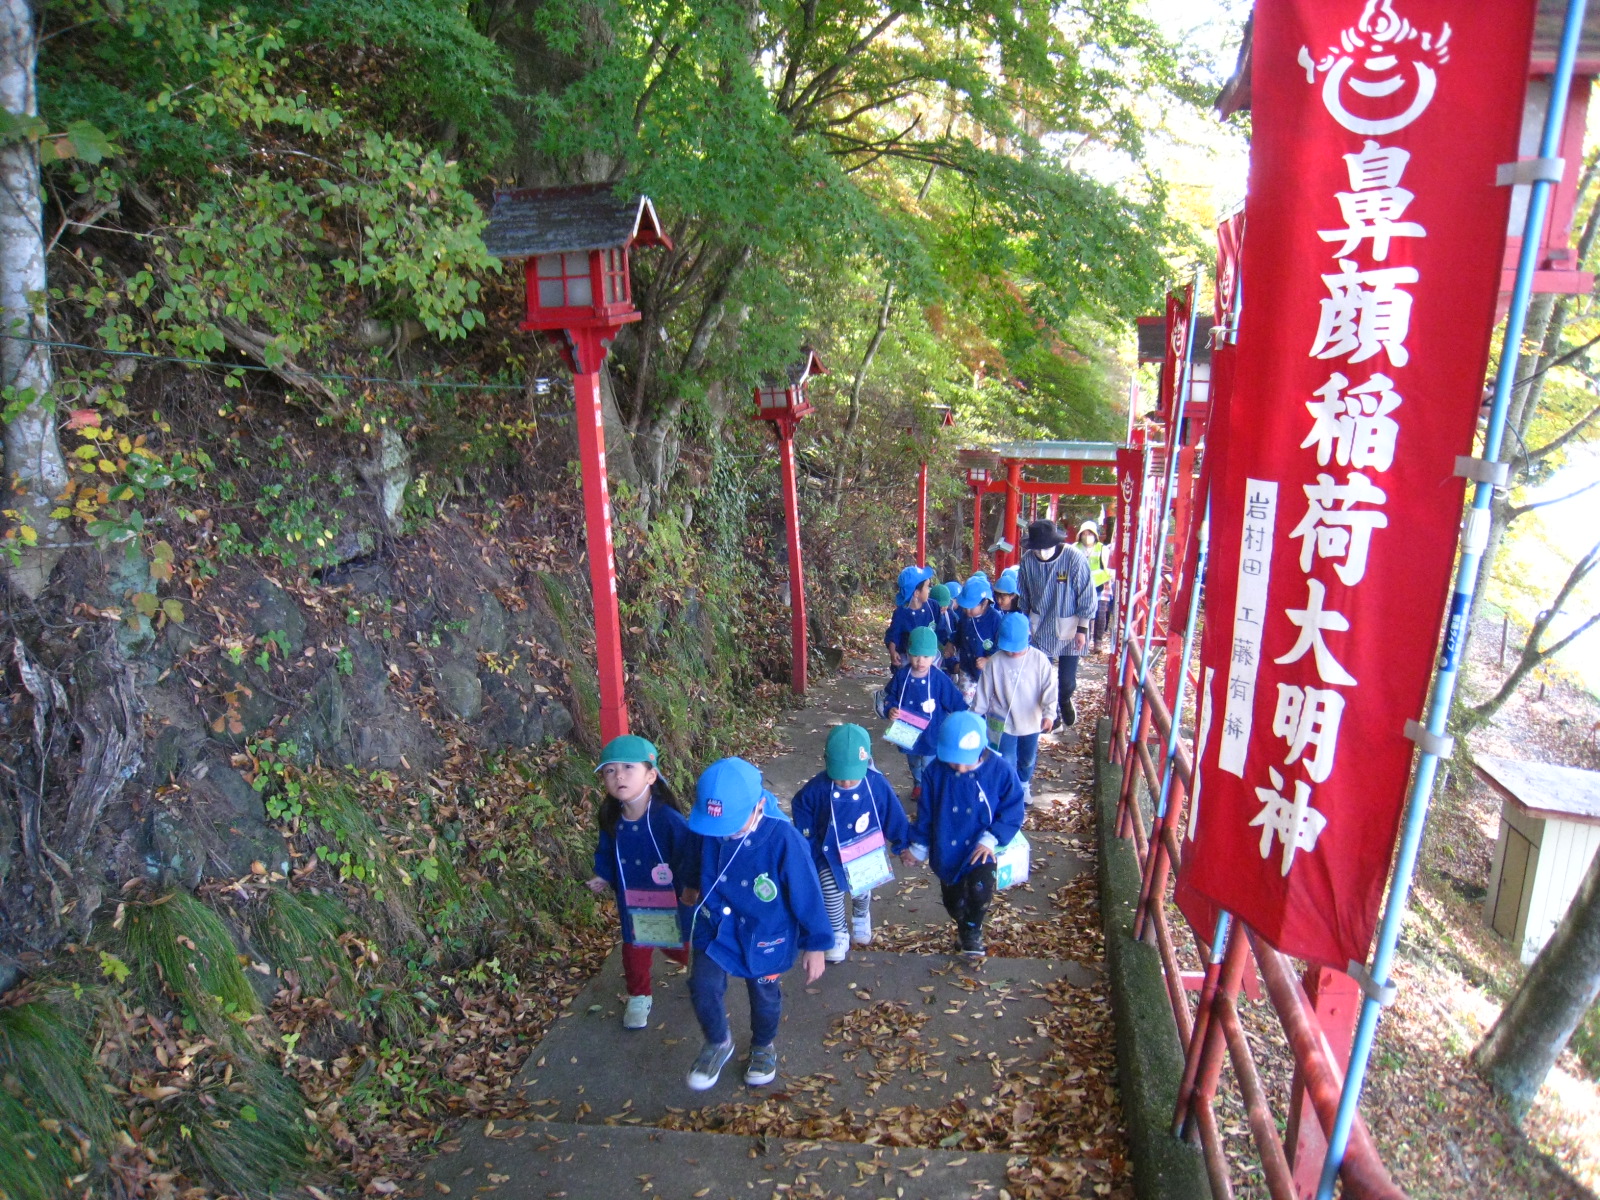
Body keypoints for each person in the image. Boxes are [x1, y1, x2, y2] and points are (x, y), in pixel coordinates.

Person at [683, 758, 833, 1091]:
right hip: (716, 926)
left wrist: (816, 944)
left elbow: (807, 892)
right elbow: (694, 858)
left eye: (733, 825)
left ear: (760, 806)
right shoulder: (708, 829)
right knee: (702, 985)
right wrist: (691, 885)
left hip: (765, 934)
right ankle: (718, 1041)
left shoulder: (783, 840)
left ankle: (764, 1045)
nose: (724, 833)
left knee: (764, 994)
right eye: (716, 826)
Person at [585, 736, 698, 1030]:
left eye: (628, 767)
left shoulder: (668, 819)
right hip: (632, 901)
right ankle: (638, 996)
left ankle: (703, 972)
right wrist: (603, 874)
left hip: (672, 900)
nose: (618, 776)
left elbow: (688, 855)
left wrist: (691, 888)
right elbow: (606, 851)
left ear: (651, 775)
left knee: (679, 947)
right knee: (634, 948)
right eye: (610, 770)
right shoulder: (611, 817)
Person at [905, 712, 1026, 956]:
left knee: (980, 891)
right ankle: (963, 925)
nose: (959, 768)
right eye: (953, 762)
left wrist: (992, 838)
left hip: (981, 845)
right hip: (947, 843)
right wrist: (919, 846)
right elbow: (926, 812)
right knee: (953, 900)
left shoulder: (1000, 770)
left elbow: (1013, 808)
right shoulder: (935, 772)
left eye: (966, 762)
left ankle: (972, 933)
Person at [791, 724, 911, 961]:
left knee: (861, 890)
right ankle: (837, 933)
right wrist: (807, 841)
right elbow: (801, 806)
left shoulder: (876, 784)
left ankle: (861, 914)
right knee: (831, 891)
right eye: (840, 776)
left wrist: (903, 843)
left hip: (864, 850)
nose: (846, 782)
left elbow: (892, 814)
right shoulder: (819, 787)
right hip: (829, 852)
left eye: (852, 776)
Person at [970, 612, 1058, 806]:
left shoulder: (1039, 660)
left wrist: (1049, 714)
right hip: (1003, 721)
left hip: (1031, 721)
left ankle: (1024, 784)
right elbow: (983, 693)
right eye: (1008, 648)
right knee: (1006, 759)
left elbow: (1049, 689)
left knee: (1027, 758)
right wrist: (973, 716)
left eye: (1016, 648)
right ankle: (1010, 791)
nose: (1012, 653)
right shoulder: (995, 661)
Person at [1016, 518, 1097, 728]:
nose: (1041, 552)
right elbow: (1023, 594)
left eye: (1045, 548)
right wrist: (1023, 623)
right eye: (1037, 548)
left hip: (1070, 625)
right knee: (1042, 677)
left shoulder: (1074, 558)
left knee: (1067, 681)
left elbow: (1086, 594)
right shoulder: (1027, 561)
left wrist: (1082, 628)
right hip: (1039, 626)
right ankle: (1052, 716)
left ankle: (1064, 699)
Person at [878, 625, 968, 799]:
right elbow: (890, 696)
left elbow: (955, 701)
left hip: (932, 731)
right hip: (906, 729)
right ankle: (918, 784)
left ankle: (929, 790)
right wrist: (890, 709)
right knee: (913, 761)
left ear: (934, 656)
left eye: (926, 657)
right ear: (908, 654)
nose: (920, 661)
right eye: (915, 656)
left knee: (929, 763)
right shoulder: (902, 676)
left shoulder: (939, 678)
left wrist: (967, 719)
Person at [884, 565, 937, 668]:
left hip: (929, 655)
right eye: (927, 587)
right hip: (908, 656)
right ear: (916, 593)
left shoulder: (933, 607)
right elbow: (894, 634)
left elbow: (942, 628)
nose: (929, 590)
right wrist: (893, 651)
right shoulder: (901, 613)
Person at [956, 576, 1000, 684]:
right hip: (966, 667)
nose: (967, 610)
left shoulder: (995, 619)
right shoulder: (965, 617)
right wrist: (952, 642)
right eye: (965, 607)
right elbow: (959, 632)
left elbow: (1000, 643)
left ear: (984, 603)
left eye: (971, 607)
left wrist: (989, 659)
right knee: (965, 694)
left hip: (987, 671)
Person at [1077, 521, 1114, 649]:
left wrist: (1110, 578)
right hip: (1080, 586)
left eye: (1090, 534)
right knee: (1083, 614)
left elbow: (1109, 567)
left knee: (1100, 613)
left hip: (1101, 585)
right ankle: (1084, 642)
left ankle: (1098, 642)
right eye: (1084, 533)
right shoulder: (1074, 548)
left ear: (1095, 535)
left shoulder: (1102, 549)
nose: (1087, 536)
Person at [930, 582, 960, 676]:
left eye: (945, 605)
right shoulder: (928, 615)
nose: (942, 607)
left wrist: (952, 644)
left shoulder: (951, 615)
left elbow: (957, 630)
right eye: (939, 605)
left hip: (947, 651)